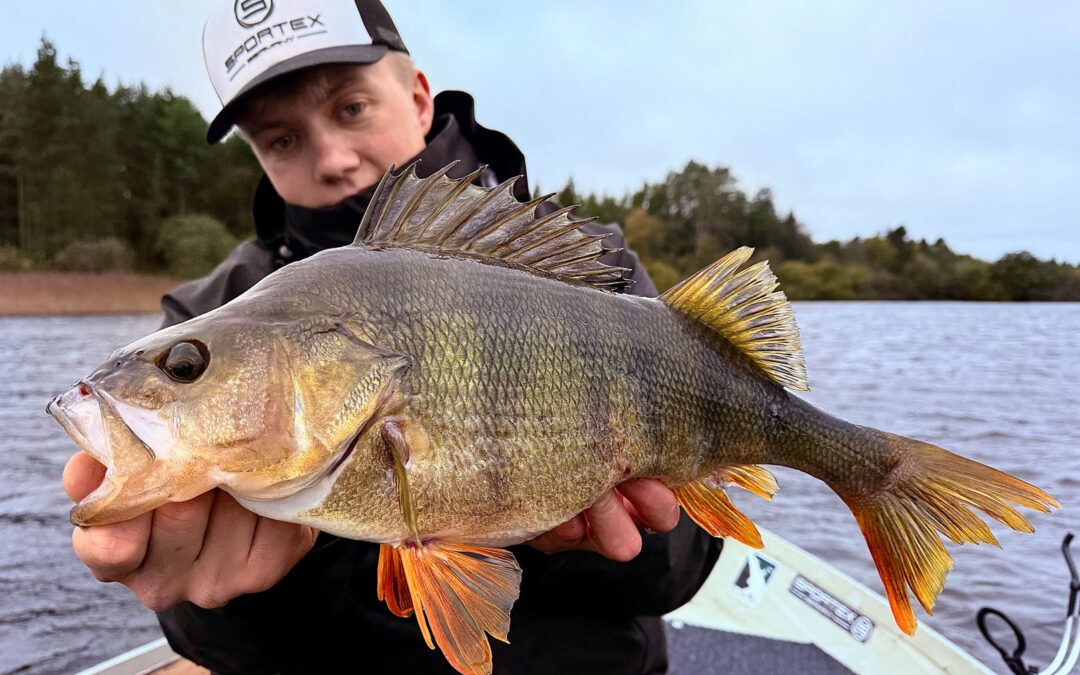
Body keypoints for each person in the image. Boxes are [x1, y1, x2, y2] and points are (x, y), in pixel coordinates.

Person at [62, 1, 722, 672]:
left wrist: (557, 531)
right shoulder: (213, 309)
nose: (331, 158)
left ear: (417, 95)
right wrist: (223, 598)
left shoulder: (586, 267)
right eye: (281, 140)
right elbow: (215, 640)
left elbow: (687, 565)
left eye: (350, 108)